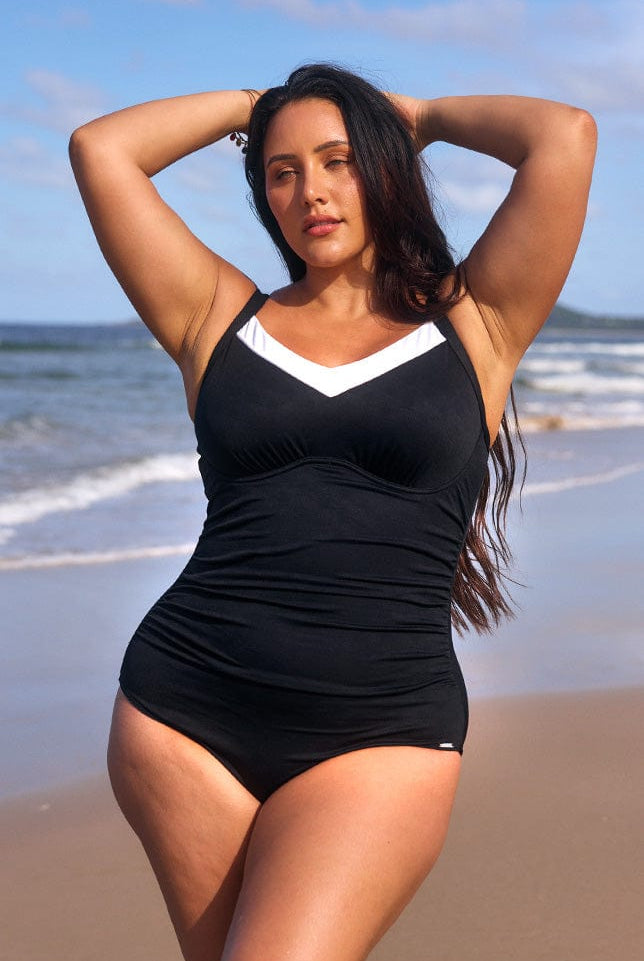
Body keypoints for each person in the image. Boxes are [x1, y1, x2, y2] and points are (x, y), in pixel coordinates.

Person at [69, 64, 596, 961]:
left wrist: (420, 116)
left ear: (383, 165)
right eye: (282, 172)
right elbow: (101, 149)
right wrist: (255, 107)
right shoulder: (215, 317)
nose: (310, 190)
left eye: (338, 160)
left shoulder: (474, 324)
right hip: (183, 714)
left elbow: (565, 137)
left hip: (381, 732)